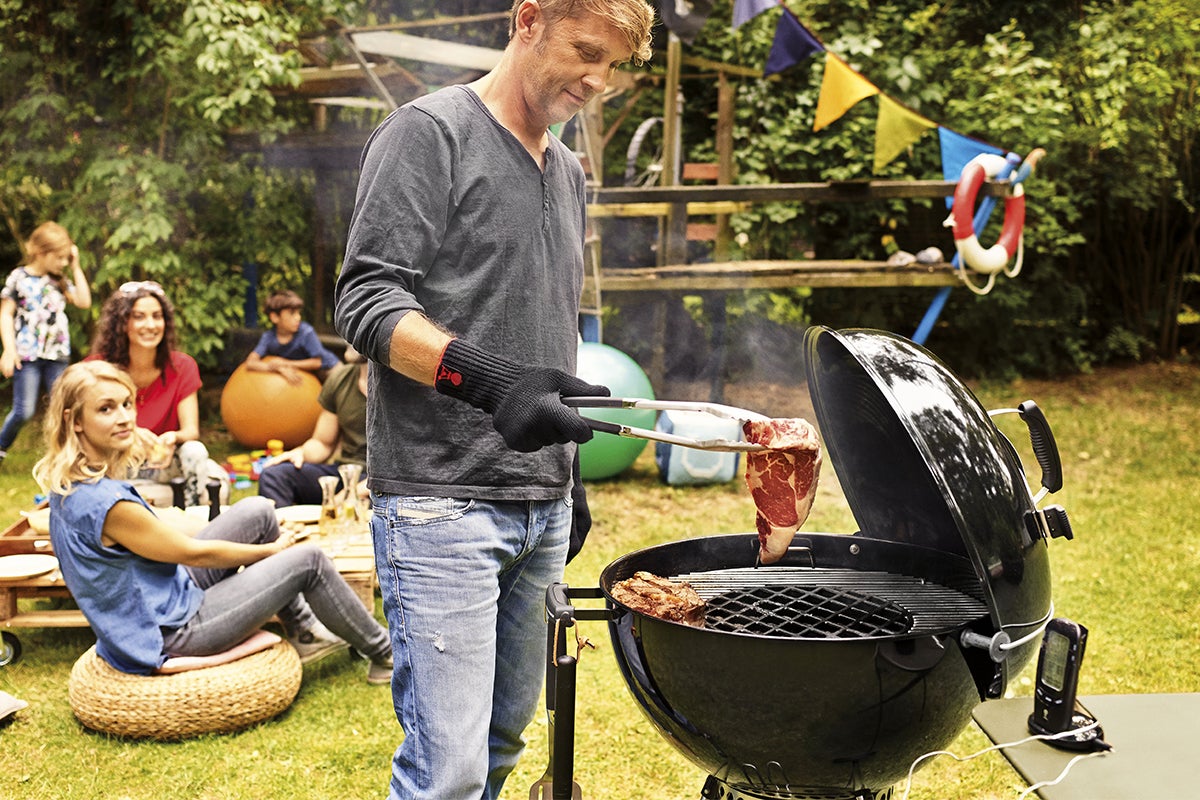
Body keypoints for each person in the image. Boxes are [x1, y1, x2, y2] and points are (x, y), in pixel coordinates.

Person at [334, 1, 654, 797]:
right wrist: (489, 381)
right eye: (586, 51)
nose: (598, 79)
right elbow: (367, 302)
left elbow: (550, 332)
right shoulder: (428, 133)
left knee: (503, 746)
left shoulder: (569, 169)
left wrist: (567, 482)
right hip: (441, 503)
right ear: (528, 20)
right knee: (450, 772)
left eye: (614, 65)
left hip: (541, 505)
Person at [32, 361, 394, 679]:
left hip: (164, 597)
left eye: (126, 404)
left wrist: (263, 539)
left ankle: (303, 632)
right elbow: (194, 554)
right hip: (169, 631)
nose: (125, 417)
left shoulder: (77, 483)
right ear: (74, 421)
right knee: (308, 560)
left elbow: (164, 528)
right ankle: (385, 653)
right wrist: (271, 551)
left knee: (258, 511)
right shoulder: (107, 503)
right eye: (106, 409)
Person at [86, 282, 226, 508]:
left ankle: (192, 518)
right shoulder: (97, 369)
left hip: (164, 463)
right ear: (122, 323)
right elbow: (82, 430)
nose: (150, 325)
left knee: (196, 452)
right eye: (139, 317)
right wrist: (130, 433)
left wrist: (173, 438)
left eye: (157, 316)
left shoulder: (182, 366)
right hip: (115, 460)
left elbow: (191, 431)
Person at [0, 221, 92, 463]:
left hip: (57, 355)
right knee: (24, 410)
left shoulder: (59, 280)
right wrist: (9, 350)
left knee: (64, 410)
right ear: (41, 253)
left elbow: (83, 301)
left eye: (65, 257)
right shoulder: (18, 278)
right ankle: (0, 448)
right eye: (59, 257)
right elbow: (5, 314)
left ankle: (66, 457)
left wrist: (75, 266)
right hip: (27, 355)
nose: (63, 262)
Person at [258, 344, 367, 508]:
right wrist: (300, 452)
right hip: (346, 473)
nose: (349, 335)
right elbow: (323, 442)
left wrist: (353, 493)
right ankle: (287, 532)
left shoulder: (406, 386)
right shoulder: (340, 379)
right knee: (274, 476)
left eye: (360, 325)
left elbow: (411, 470)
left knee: (378, 506)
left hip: (390, 486)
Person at [243, 289, 340, 385]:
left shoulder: (306, 332)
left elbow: (317, 362)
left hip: (328, 370)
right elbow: (251, 362)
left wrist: (285, 363)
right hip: (305, 374)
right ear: (275, 317)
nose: (298, 317)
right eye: (292, 313)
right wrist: (277, 368)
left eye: (298, 313)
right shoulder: (268, 337)